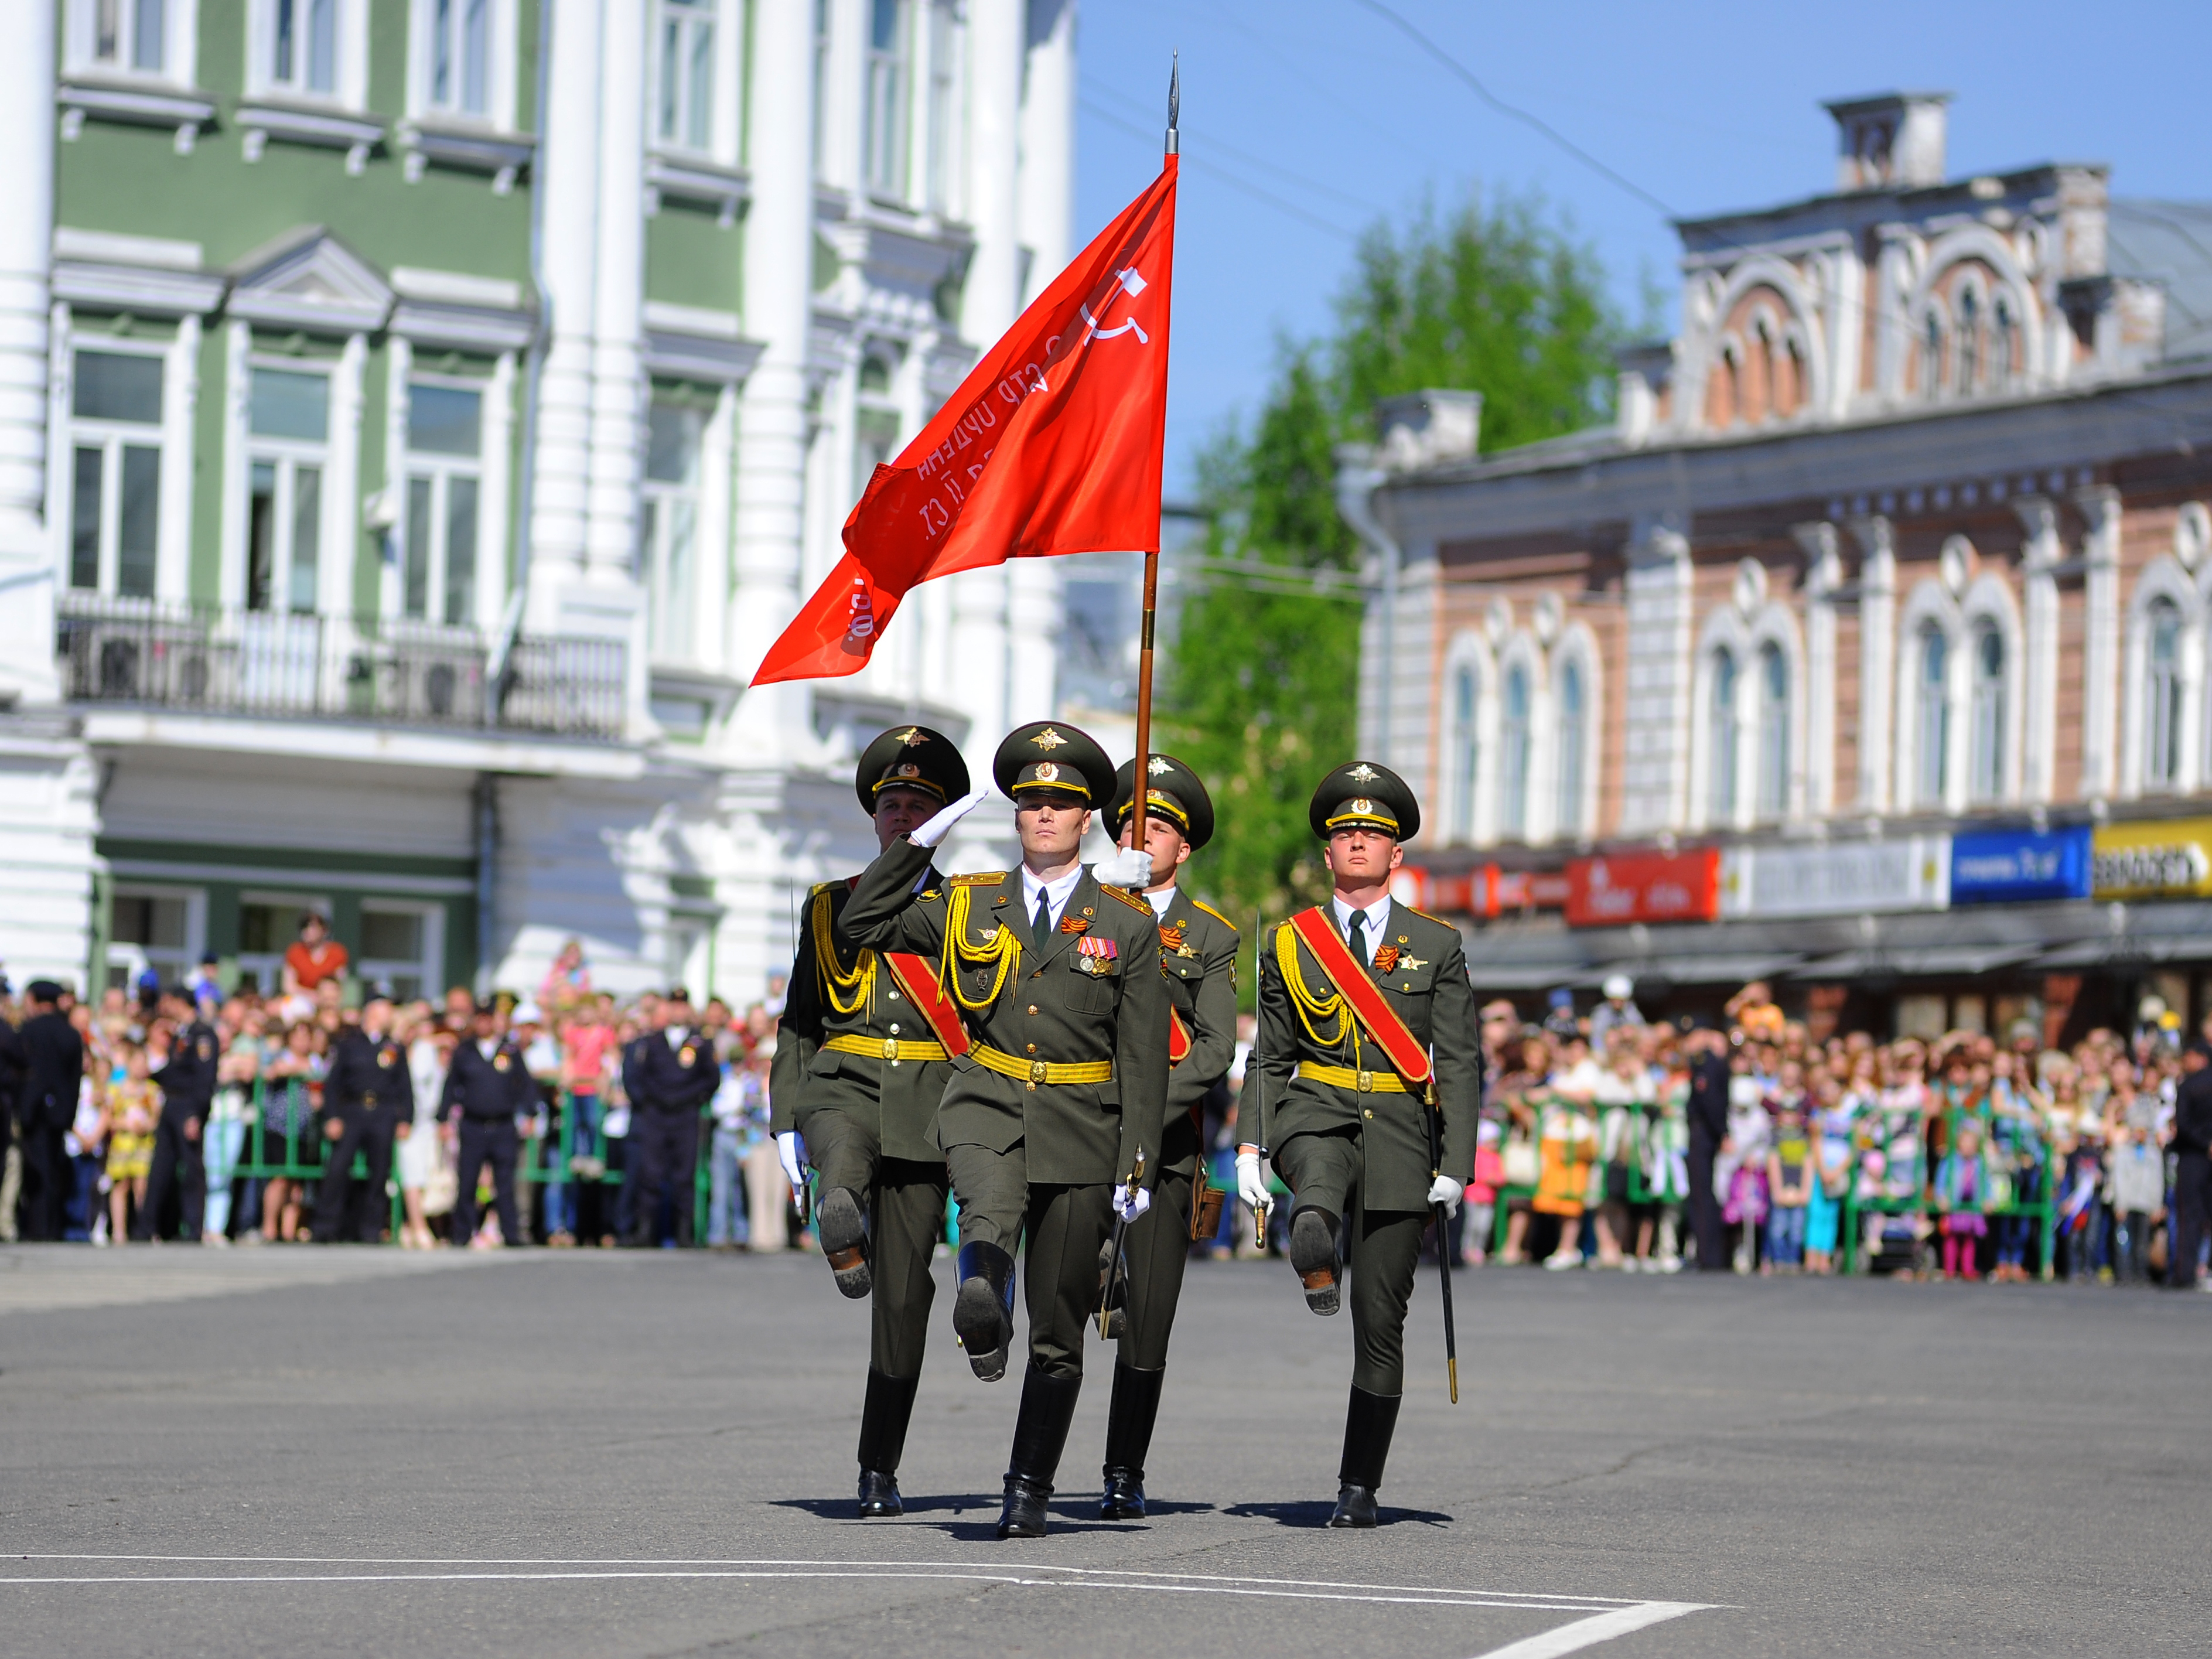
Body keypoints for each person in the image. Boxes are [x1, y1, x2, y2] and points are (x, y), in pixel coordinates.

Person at [839, 720, 1170, 1541]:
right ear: (1015, 816)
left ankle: (1029, 1485)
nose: (1044, 815)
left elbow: (1143, 1059)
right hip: (986, 1102)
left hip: (1083, 1126)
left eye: (1061, 803)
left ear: (1088, 817)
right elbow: (862, 924)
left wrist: (1138, 1164)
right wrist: (926, 837)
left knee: (1060, 1333)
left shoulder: (1124, 925)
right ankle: (982, 1288)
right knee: (985, 1208)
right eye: (1030, 803)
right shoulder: (968, 901)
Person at [1241, 762, 1479, 1529]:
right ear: (1328, 851)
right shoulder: (1289, 941)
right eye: (1344, 833)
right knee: (1318, 1162)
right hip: (1315, 1107)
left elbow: (1461, 1058)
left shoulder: (1434, 944)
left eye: (1371, 834)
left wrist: (1457, 1165)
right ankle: (1313, 1233)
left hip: (1404, 1137)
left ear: (1395, 853)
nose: (1356, 843)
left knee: (1381, 1321)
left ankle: (1359, 1486)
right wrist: (1249, 1147)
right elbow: (1270, 1056)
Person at [770, 724, 970, 1516]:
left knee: (904, 1296)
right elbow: (800, 1020)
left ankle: (878, 1467)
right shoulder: (830, 905)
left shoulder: (968, 912)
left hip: (927, 1105)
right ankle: (837, 1216)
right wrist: (787, 1118)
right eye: (890, 804)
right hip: (842, 1082)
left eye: (919, 805)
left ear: (942, 820)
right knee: (841, 1160)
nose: (901, 816)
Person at [1095, 753, 1237, 1521]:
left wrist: (1142, 1102)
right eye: (1127, 824)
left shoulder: (1207, 935)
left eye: (1154, 826)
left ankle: (1124, 1467)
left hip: (1162, 1144)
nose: (1137, 835)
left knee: (1147, 1319)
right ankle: (1036, 1466)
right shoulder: (1083, 911)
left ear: (1183, 848)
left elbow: (1213, 1048)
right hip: (1079, 1134)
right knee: (1062, 1308)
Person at [621, 988, 720, 1248]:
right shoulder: (652, 1041)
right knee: (650, 1174)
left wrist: (692, 1098)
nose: (678, 1011)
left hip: (686, 1115)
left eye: (682, 1005)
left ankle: (684, 1234)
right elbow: (639, 1077)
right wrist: (651, 1101)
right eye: (673, 1005)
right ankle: (646, 1232)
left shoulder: (700, 1042)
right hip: (656, 1115)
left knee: (684, 1176)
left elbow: (711, 1079)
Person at [315, 994, 412, 1244]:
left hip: (382, 1112)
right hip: (353, 1110)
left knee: (379, 1173)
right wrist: (332, 1116)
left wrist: (405, 1119)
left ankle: (371, 1229)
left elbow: (404, 1086)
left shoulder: (393, 1047)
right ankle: (326, 1226)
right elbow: (334, 1084)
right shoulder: (349, 1045)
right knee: (337, 1170)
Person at [439, 1002, 532, 1247]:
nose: (483, 1024)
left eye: (487, 1019)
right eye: (479, 1019)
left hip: (502, 1125)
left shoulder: (509, 1051)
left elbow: (525, 1084)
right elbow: (451, 1087)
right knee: (468, 1181)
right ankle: (462, 1233)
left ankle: (510, 1233)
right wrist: (443, 1118)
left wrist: (531, 1113)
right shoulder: (465, 1051)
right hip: (473, 1124)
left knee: (505, 1183)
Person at [136, 988, 216, 1242]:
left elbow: (204, 1079)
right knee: (161, 1167)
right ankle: (147, 1226)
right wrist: (151, 1075)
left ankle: (193, 1229)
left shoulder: (203, 1035)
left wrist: (196, 1114)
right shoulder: (181, 1033)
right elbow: (174, 1071)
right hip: (172, 1103)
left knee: (191, 1169)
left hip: (188, 1106)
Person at [14, 982, 82, 1241]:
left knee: (36, 1171)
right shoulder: (70, 1034)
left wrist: (24, 1109)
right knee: (54, 1169)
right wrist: (69, 1115)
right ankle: (52, 1226)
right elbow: (75, 1078)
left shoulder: (29, 1031)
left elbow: (27, 1074)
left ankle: (37, 1228)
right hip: (60, 1113)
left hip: (35, 1112)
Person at [1683, 1022, 1729, 1270]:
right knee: (1704, 1193)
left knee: (1702, 1195)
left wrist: (1721, 1131)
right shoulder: (1704, 1062)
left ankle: (1707, 1255)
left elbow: (1710, 1101)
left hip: (1704, 1132)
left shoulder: (1707, 1063)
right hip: (1708, 1131)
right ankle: (1708, 1253)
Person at [2171, 1041, 2212, 1291]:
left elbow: (2183, 1124)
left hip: (2193, 1156)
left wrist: (2205, 1143)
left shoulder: (2189, 1086)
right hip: (2200, 1153)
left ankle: (2185, 1272)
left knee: (2190, 1215)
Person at [1588, 975, 1644, 1049]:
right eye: (1614, 999)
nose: (1617, 1002)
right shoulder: (1601, 1012)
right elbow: (1596, 1035)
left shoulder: (1632, 1010)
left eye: (1621, 999)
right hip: (1606, 1051)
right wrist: (1599, 1051)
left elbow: (1641, 1028)